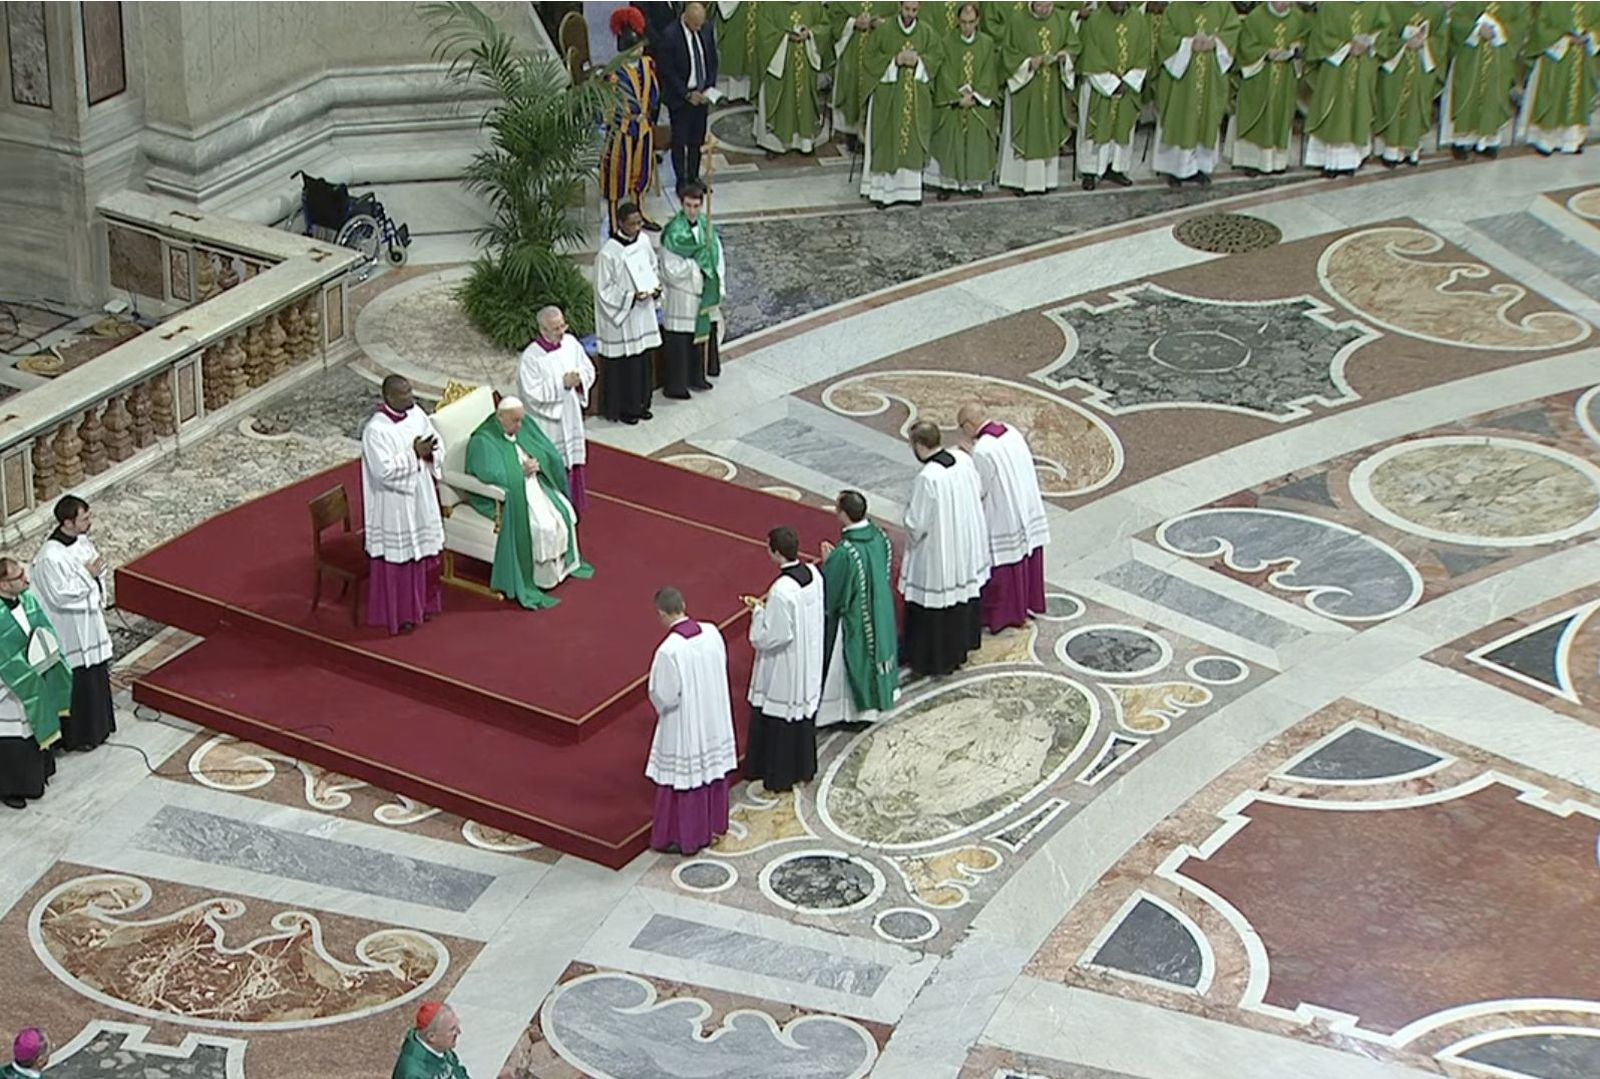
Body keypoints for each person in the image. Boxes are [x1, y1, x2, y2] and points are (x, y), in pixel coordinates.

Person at [464, 398, 589, 611]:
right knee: (543, 526)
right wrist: (520, 471)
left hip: (533, 485)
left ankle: (559, 571)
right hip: (512, 494)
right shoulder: (483, 441)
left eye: (521, 420)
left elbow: (543, 450)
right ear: (500, 417)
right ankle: (538, 579)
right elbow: (488, 474)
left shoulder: (519, 427)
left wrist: (538, 462)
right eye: (515, 421)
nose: (520, 426)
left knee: (564, 512)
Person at [646, 586, 737, 854]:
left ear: (662, 614)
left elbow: (665, 695)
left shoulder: (669, 650)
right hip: (713, 716)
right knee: (710, 770)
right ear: (683, 605)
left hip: (686, 722)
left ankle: (685, 835)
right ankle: (714, 824)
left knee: (684, 776)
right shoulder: (712, 632)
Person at [900, 421, 990, 677]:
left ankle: (934, 660)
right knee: (960, 598)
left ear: (919, 445)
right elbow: (978, 489)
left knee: (935, 603)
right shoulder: (962, 459)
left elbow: (917, 524)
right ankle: (960, 649)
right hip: (961, 542)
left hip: (938, 550)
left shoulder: (927, 477)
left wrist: (906, 514)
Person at [361, 375, 445, 635]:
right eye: (403, 394)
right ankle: (401, 614)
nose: (410, 397)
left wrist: (431, 453)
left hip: (420, 494)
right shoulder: (376, 430)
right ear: (388, 397)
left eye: (410, 391)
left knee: (424, 551)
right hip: (394, 503)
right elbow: (382, 471)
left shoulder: (417, 414)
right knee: (400, 556)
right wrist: (414, 454)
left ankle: (424, 605)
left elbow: (436, 442)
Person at [30, 495, 115, 751]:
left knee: (95, 675)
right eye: (84, 518)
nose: (89, 522)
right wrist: (88, 576)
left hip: (90, 624)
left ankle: (100, 728)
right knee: (77, 682)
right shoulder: (49, 557)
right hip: (70, 628)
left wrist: (96, 576)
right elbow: (59, 595)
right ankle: (78, 737)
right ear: (67, 522)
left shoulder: (82, 541)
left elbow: (98, 569)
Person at [744, 527, 824, 792]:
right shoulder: (813, 573)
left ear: (776, 552)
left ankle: (779, 775)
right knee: (801, 718)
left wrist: (758, 613)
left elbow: (774, 636)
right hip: (809, 656)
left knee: (782, 718)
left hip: (787, 665)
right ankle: (804, 767)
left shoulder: (781, 590)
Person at [958, 405, 1049, 633]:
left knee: (1003, 563)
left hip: (1003, 512)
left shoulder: (983, 450)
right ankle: (1026, 604)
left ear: (968, 425)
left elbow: (980, 487)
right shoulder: (1011, 431)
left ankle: (1004, 615)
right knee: (1024, 553)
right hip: (1025, 503)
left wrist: (968, 461)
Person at [818, 491, 899, 727]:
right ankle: (883, 695)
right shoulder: (881, 537)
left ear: (843, 514)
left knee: (857, 659)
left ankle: (857, 712)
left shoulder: (846, 552)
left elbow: (833, 592)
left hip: (857, 619)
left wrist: (829, 563)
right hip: (881, 609)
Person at [861, 1, 943, 206]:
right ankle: (883, 193)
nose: (910, 14)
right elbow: (869, 58)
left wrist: (920, 62)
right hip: (888, 97)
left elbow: (937, 56)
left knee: (911, 141)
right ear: (899, 6)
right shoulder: (884, 30)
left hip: (915, 97)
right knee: (887, 140)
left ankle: (910, 193)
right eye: (906, 9)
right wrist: (895, 60)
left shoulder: (926, 32)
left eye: (914, 10)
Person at [0, 559, 65, 811]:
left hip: (34, 677)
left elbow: (42, 629)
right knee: (13, 736)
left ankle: (39, 774)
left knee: (32, 728)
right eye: (18, 577)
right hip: (9, 687)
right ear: (3, 584)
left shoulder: (26, 600)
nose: (26, 579)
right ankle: (11, 788)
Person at [518, 307, 595, 518]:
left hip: (571, 414)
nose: (561, 332)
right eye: (556, 328)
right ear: (543, 330)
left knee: (574, 461)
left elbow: (588, 368)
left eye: (563, 326)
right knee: (554, 464)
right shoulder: (531, 357)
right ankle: (557, 510)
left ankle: (575, 506)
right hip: (548, 422)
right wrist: (562, 384)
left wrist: (580, 378)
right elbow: (531, 393)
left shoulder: (571, 343)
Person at [1153, 0, 1241, 187]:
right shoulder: (1175, 8)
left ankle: (1200, 166)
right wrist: (1188, 44)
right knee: (1180, 118)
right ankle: (1174, 169)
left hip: (1211, 78)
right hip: (1181, 80)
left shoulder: (1223, 7)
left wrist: (1215, 43)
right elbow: (1165, 38)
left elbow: (1233, 32)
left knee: (1205, 118)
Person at [593, 202, 662, 426]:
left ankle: (642, 404)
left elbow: (652, 266)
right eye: (632, 223)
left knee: (642, 360)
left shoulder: (643, 241)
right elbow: (603, 290)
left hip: (642, 315)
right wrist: (630, 297)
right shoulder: (608, 253)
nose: (637, 227)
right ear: (621, 223)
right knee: (625, 365)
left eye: (639, 222)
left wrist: (654, 286)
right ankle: (624, 409)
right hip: (623, 319)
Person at [997, 1, 1077, 195]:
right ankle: (1018, 181)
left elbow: (1074, 45)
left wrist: (1064, 56)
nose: (1044, 9)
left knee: (1048, 128)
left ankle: (1047, 180)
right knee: (1027, 128)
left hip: (1052, 85)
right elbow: (1007, 53)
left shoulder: (1061, 19)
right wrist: (1028, 63)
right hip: (1026, 87)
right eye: (1040, 5)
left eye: (1048, 5)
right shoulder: (1017, 21)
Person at [1302, 3, 1390, 176]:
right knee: (1333, 110)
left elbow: (1384, 30)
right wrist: (1347, 47)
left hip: (1363, 67)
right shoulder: (1331, 5)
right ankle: (1327, 161)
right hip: (1335, 69)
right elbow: (1321, 36)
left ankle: (1351, 161)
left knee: (1357, 111)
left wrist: (1368, 42)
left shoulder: (1376, 4)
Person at [927, 3, 1000, 198]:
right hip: (953, 101)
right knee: (948, 127)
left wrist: (975, 95)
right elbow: (944, 74)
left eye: (971, 22)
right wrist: (957, 98)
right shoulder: (946, 42)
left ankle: (974, 184)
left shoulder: (987, 43)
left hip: (977, 101)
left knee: (978, 128)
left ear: (977, 21)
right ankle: (947, 183)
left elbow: (989, 74)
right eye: (964, 22)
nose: (967, 27)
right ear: (957, 20)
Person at [659, 180, 724, 399]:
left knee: (700, 336)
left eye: (696, 206)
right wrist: (697, 267)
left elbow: (717, 255)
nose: (692, 211)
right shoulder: (673, 231)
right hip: (682, 294)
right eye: (688, 205)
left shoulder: (707, 226)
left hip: (703, 292)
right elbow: (670, 268)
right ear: (681, 204)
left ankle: (698, 377)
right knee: (681, 340)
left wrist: (715, 278)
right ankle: (677, 386)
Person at [600, 9, 663, 234]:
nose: (639, 50)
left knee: (642, 173)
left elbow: (654, 94)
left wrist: (649, 113)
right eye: (634, 47)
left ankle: (640, 213)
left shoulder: (648, 65)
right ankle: (614, 222)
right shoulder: (614, 72)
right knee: (616, 177)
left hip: (643, 127)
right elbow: (608, 105)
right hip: (622, 131)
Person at [1076, 1, 1151, 190]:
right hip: (1098, 86)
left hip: (1127, 86)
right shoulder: (1094, 20)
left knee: (1121, 126)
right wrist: (1110, 83)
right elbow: (1090, 54)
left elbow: (1144, 52)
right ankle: (1090, 170)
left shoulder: (1138, 20)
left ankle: (1116, 167)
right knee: (1094, 125)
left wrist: (1129, 80)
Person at [1443, 2, 1529, 159]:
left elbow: (1522, 22)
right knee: (1465, 92)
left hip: (1500, 53)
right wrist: (1476, 29)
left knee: (1493, 94)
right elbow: (1457, 19)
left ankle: (1489, 140)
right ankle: (1462, 140)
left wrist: (1498, 30)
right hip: (1470, 54)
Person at [1231, 1, 1309, 174]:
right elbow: (1245, 46)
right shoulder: (1256, 17)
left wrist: (1297, 47)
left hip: (1285, 77)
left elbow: (1305, 39)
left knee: (1280, 116)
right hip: (1259, 76)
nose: (1284, 3)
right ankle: (1251, 161)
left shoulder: (1298, 18)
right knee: (1257, 116)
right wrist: (1266, 53)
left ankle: (1278, 162)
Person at [1519, 3, 1600, 156]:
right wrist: (1565, 39)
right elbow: (1540, 27)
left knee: (1577, 97)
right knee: (1552, 94)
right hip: (1555, 58)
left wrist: (1590, 36)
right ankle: (1545, 140)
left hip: (1583, 58)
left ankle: (1571, 139)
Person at [1373, 3, 1446, 167]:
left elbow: (1441, 39)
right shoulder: (1391, 5)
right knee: (1391, 103)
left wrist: (1425, 42)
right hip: (1395, 67)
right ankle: (1390, 151)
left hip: (1422, 66)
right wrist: (1403, 43)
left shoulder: (1435, 8)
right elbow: (1382, 36)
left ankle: (1411, 151)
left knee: (1415, 106)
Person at [754, 3, 833, 154]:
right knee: (781, 97)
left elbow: (825, 26)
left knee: (804, 98)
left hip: (805, 59)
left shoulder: (812, 4)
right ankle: (774, 144)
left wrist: (810, 34)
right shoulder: (770, 5)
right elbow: (764, 31)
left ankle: (804, 143)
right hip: (780, 61)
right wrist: (786, 37)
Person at [658, 2, 720, 185]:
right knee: (680, 141)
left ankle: (694, 176)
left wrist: (709, 87)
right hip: (680, 98)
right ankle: (681, 180)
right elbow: (667, 71)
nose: (699, 29)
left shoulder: (706, 29)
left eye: (701, 24)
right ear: (686, 18)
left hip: (702, 96)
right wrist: (686, 94)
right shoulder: (670, 35)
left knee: (697, 140)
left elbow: (711, 60)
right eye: (695, 25)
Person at [832, 2, 894, 143]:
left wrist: (883, 23)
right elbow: (834, 18)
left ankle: (870, 134)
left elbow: (899, 19)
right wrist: (853, 23)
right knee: (852, 87)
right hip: (851, 51)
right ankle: (851, 133)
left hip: (878, 54)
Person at [392, 1001, 469, 1079]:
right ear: (431, 1037)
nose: (459, 1032)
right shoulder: (413, 1074)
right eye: (452, 1029)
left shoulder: (440, 1047)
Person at [713, 1, 760, 102]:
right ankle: (728, 94)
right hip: (735, 16)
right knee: (734, 56)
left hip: (753, 13)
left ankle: (748, 94)